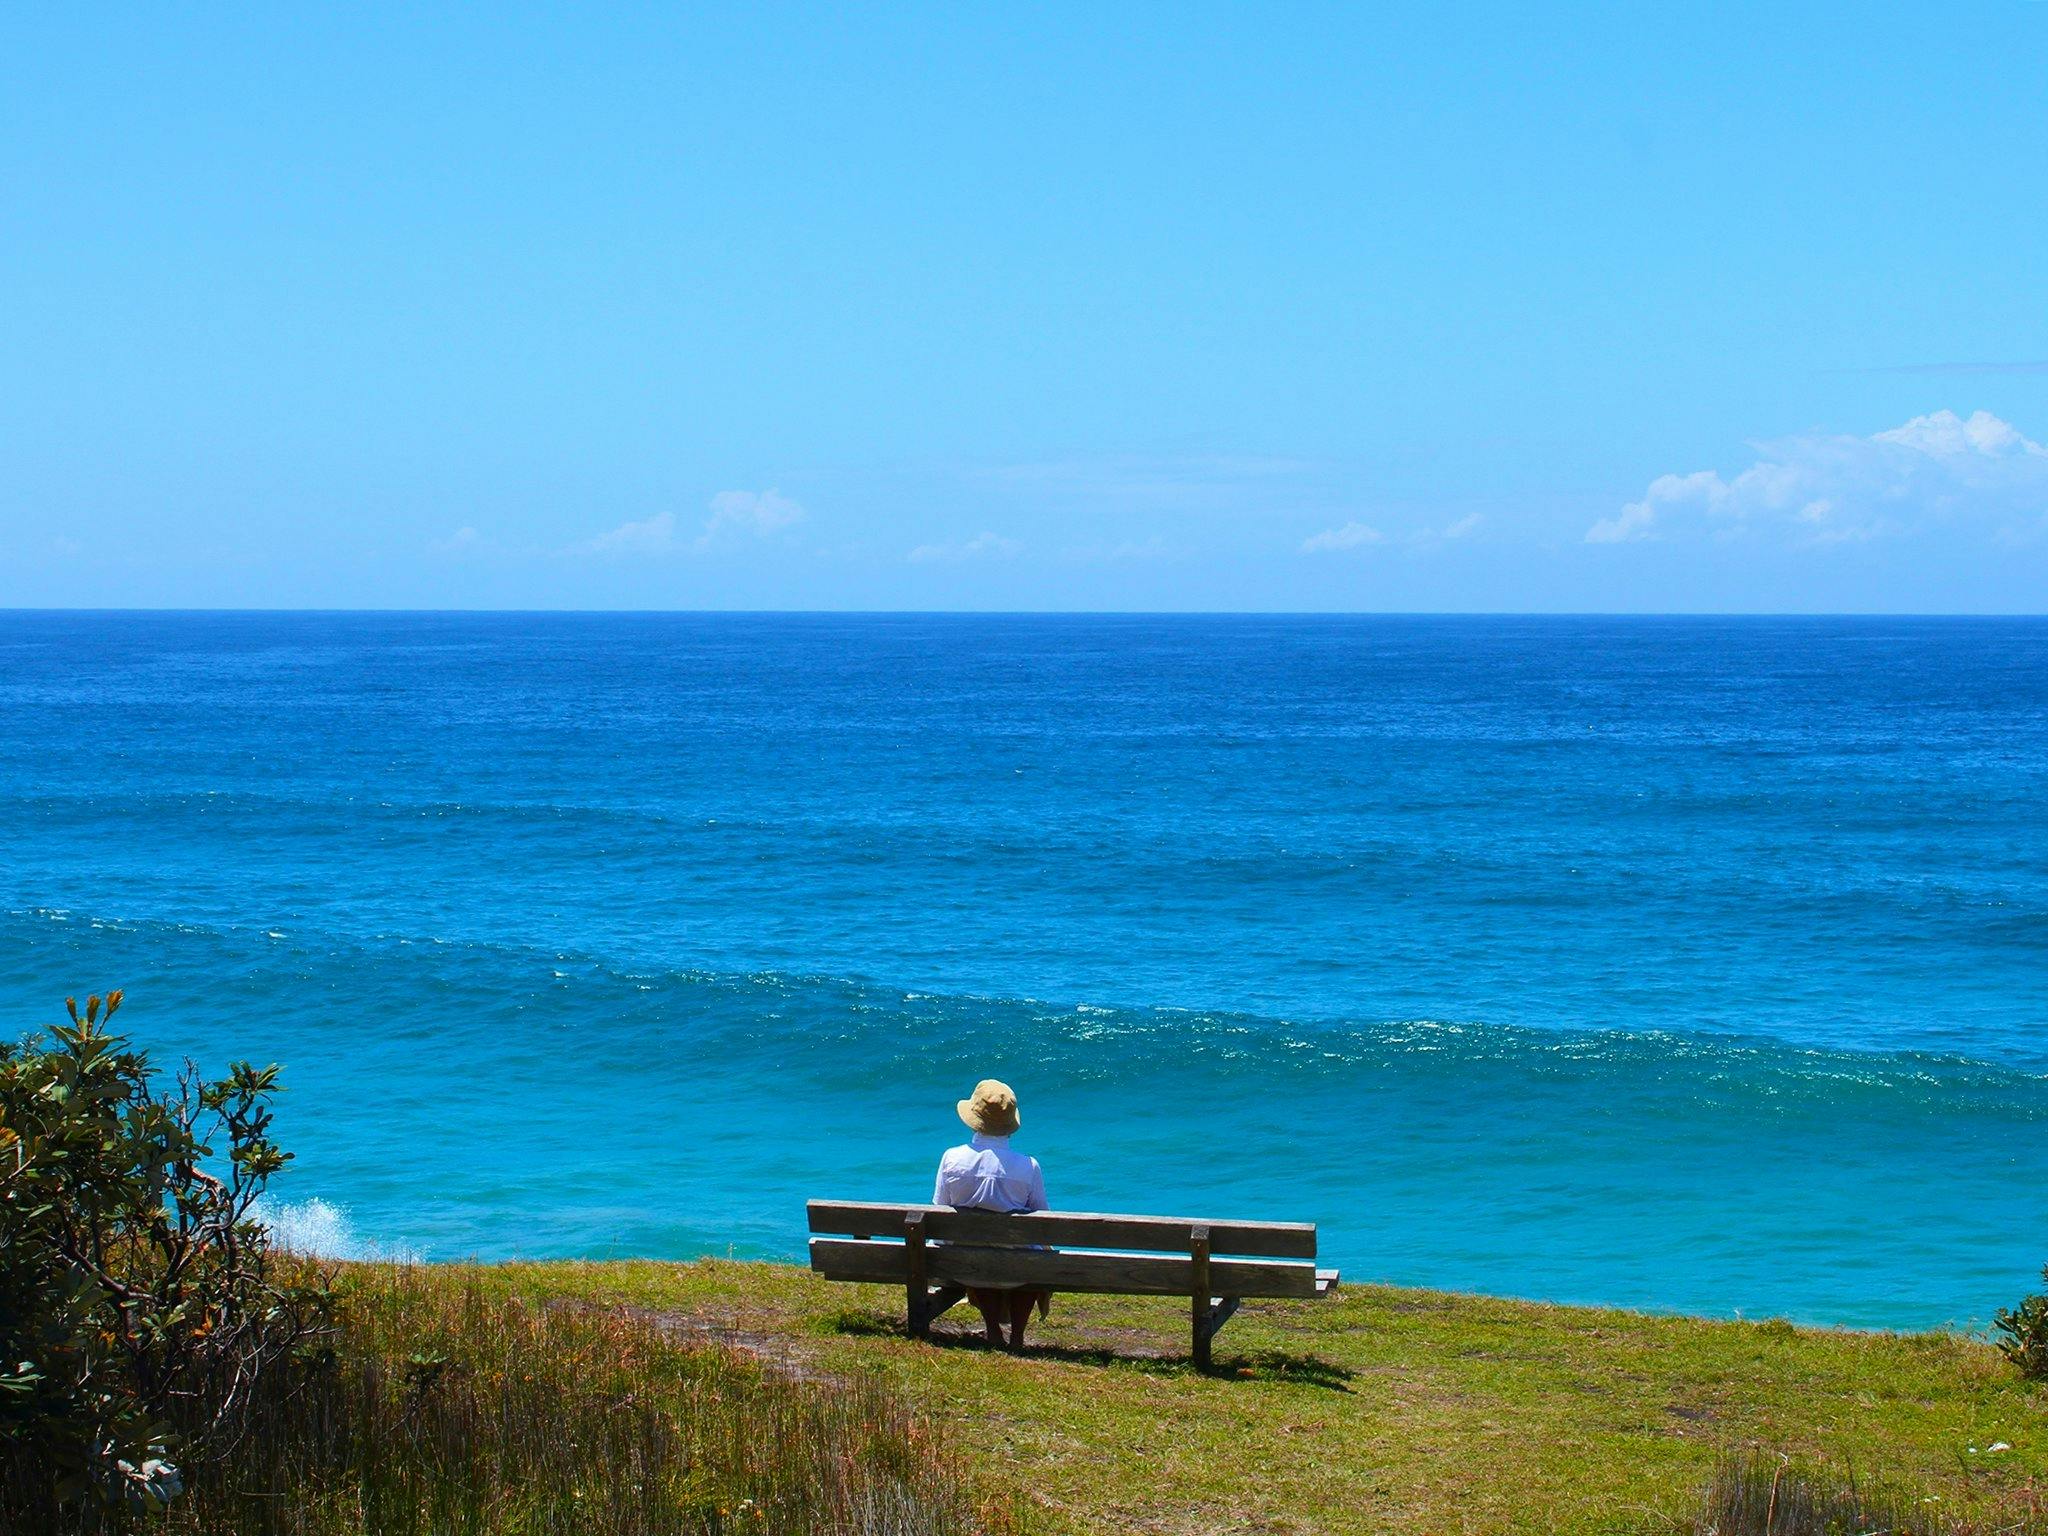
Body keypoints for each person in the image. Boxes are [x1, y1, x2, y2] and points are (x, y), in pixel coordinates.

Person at [933, 1078, 1051, 1351]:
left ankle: (993, 1330)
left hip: (965, 1264)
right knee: (1030, 1254)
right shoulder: (1028, 1166)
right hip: (1018, 1267)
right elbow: (1043, 1220)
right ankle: (1017, 1336)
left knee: (977, 1248)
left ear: (974, 1119)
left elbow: (939, 1209)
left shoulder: (951, 1159)